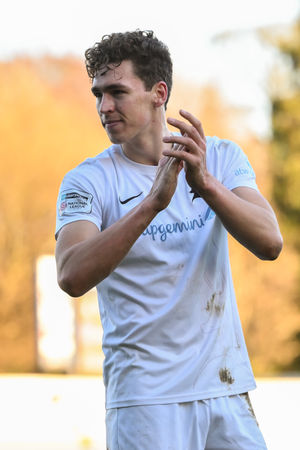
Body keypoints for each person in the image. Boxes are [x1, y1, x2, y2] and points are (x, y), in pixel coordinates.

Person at [55, 30, 282, 449]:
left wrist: (207, 186)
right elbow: (70, 275)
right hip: (145, 402)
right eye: (98, 95)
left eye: (117, 92)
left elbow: (270, 242)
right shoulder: (86, 180)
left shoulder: (219, 156)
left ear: (159, 93)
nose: (104, 107)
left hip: (224, 387)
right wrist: (151, 205)